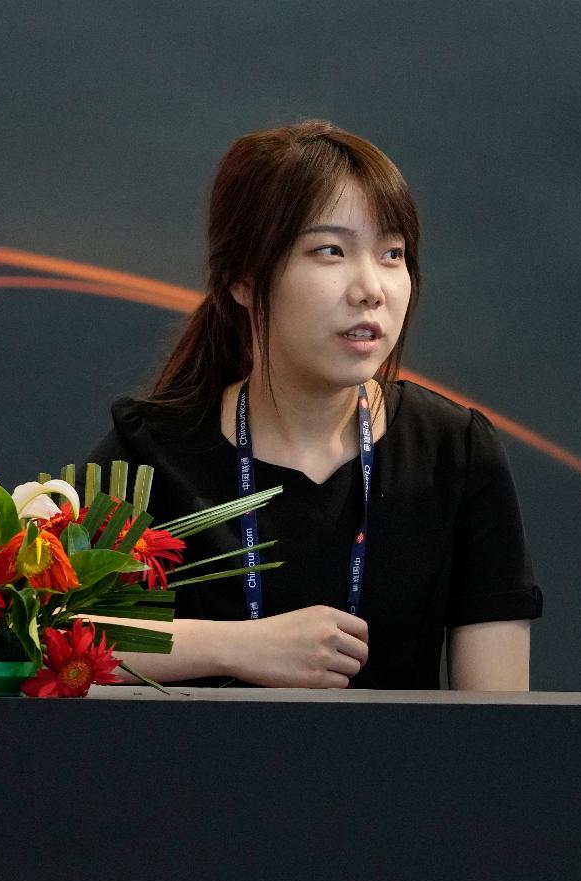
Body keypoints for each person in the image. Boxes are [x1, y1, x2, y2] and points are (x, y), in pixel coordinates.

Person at [85, 121, 541, 690]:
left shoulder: (455, 450)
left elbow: (500, 723)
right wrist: (234, 648)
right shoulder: (148, 453)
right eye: (330, 251)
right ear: (243, 280)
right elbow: (45, 642)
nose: (370, 287)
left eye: (392, 254)